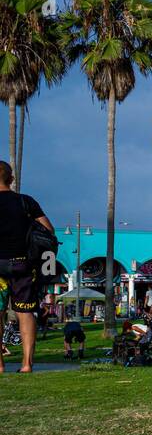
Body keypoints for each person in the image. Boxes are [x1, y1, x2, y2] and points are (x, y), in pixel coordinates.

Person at [0, 160, 55, 374]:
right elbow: (48, 229)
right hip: (22, 263)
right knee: (25, 313)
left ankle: (1, 365)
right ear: (11, 179)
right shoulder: (26, 202)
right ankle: (26, 364)